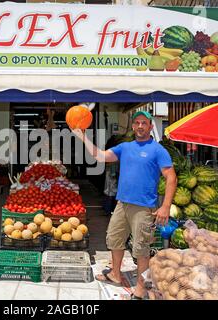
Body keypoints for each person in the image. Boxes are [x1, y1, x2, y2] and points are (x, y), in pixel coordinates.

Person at [72, 110, 177, 300]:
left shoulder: (158, 150)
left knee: (141, 249)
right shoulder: (125, 147)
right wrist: (84, 138)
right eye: (136, 123)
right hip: (122, 204)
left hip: (144, 208)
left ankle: (141, 288)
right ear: (133, 126)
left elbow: (171, 178)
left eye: (144, 123)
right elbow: (101, 156)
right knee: (114, 239)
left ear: (151, 127)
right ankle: (115, 274)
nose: (139, 126)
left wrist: (166, 206)